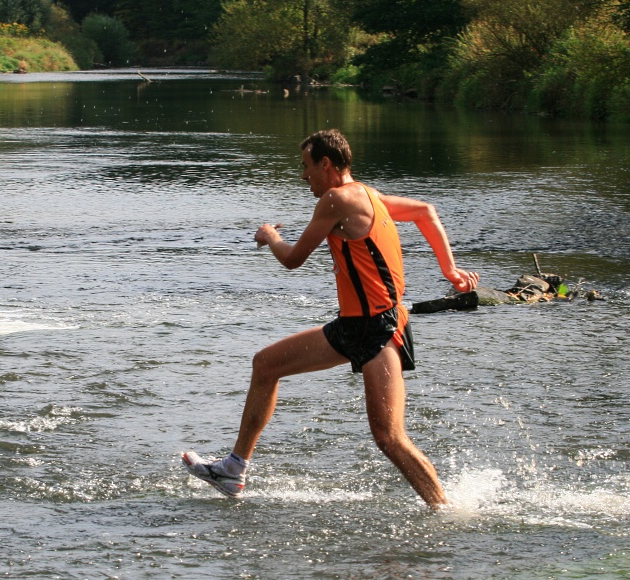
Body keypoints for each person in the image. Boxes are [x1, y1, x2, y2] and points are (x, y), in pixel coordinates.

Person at [182, 129, 478, 509]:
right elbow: (425, 212)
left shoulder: (336, 199)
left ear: (326, 164)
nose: (303, 176)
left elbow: (292, 259)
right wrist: (450, 269)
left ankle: (445, 510)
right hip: (353, 326)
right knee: (266, 365)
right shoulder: (369, 196)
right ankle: (233, 469)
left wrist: (270, 236)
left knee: (389, 437)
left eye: (307, 167)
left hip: (378, 329)